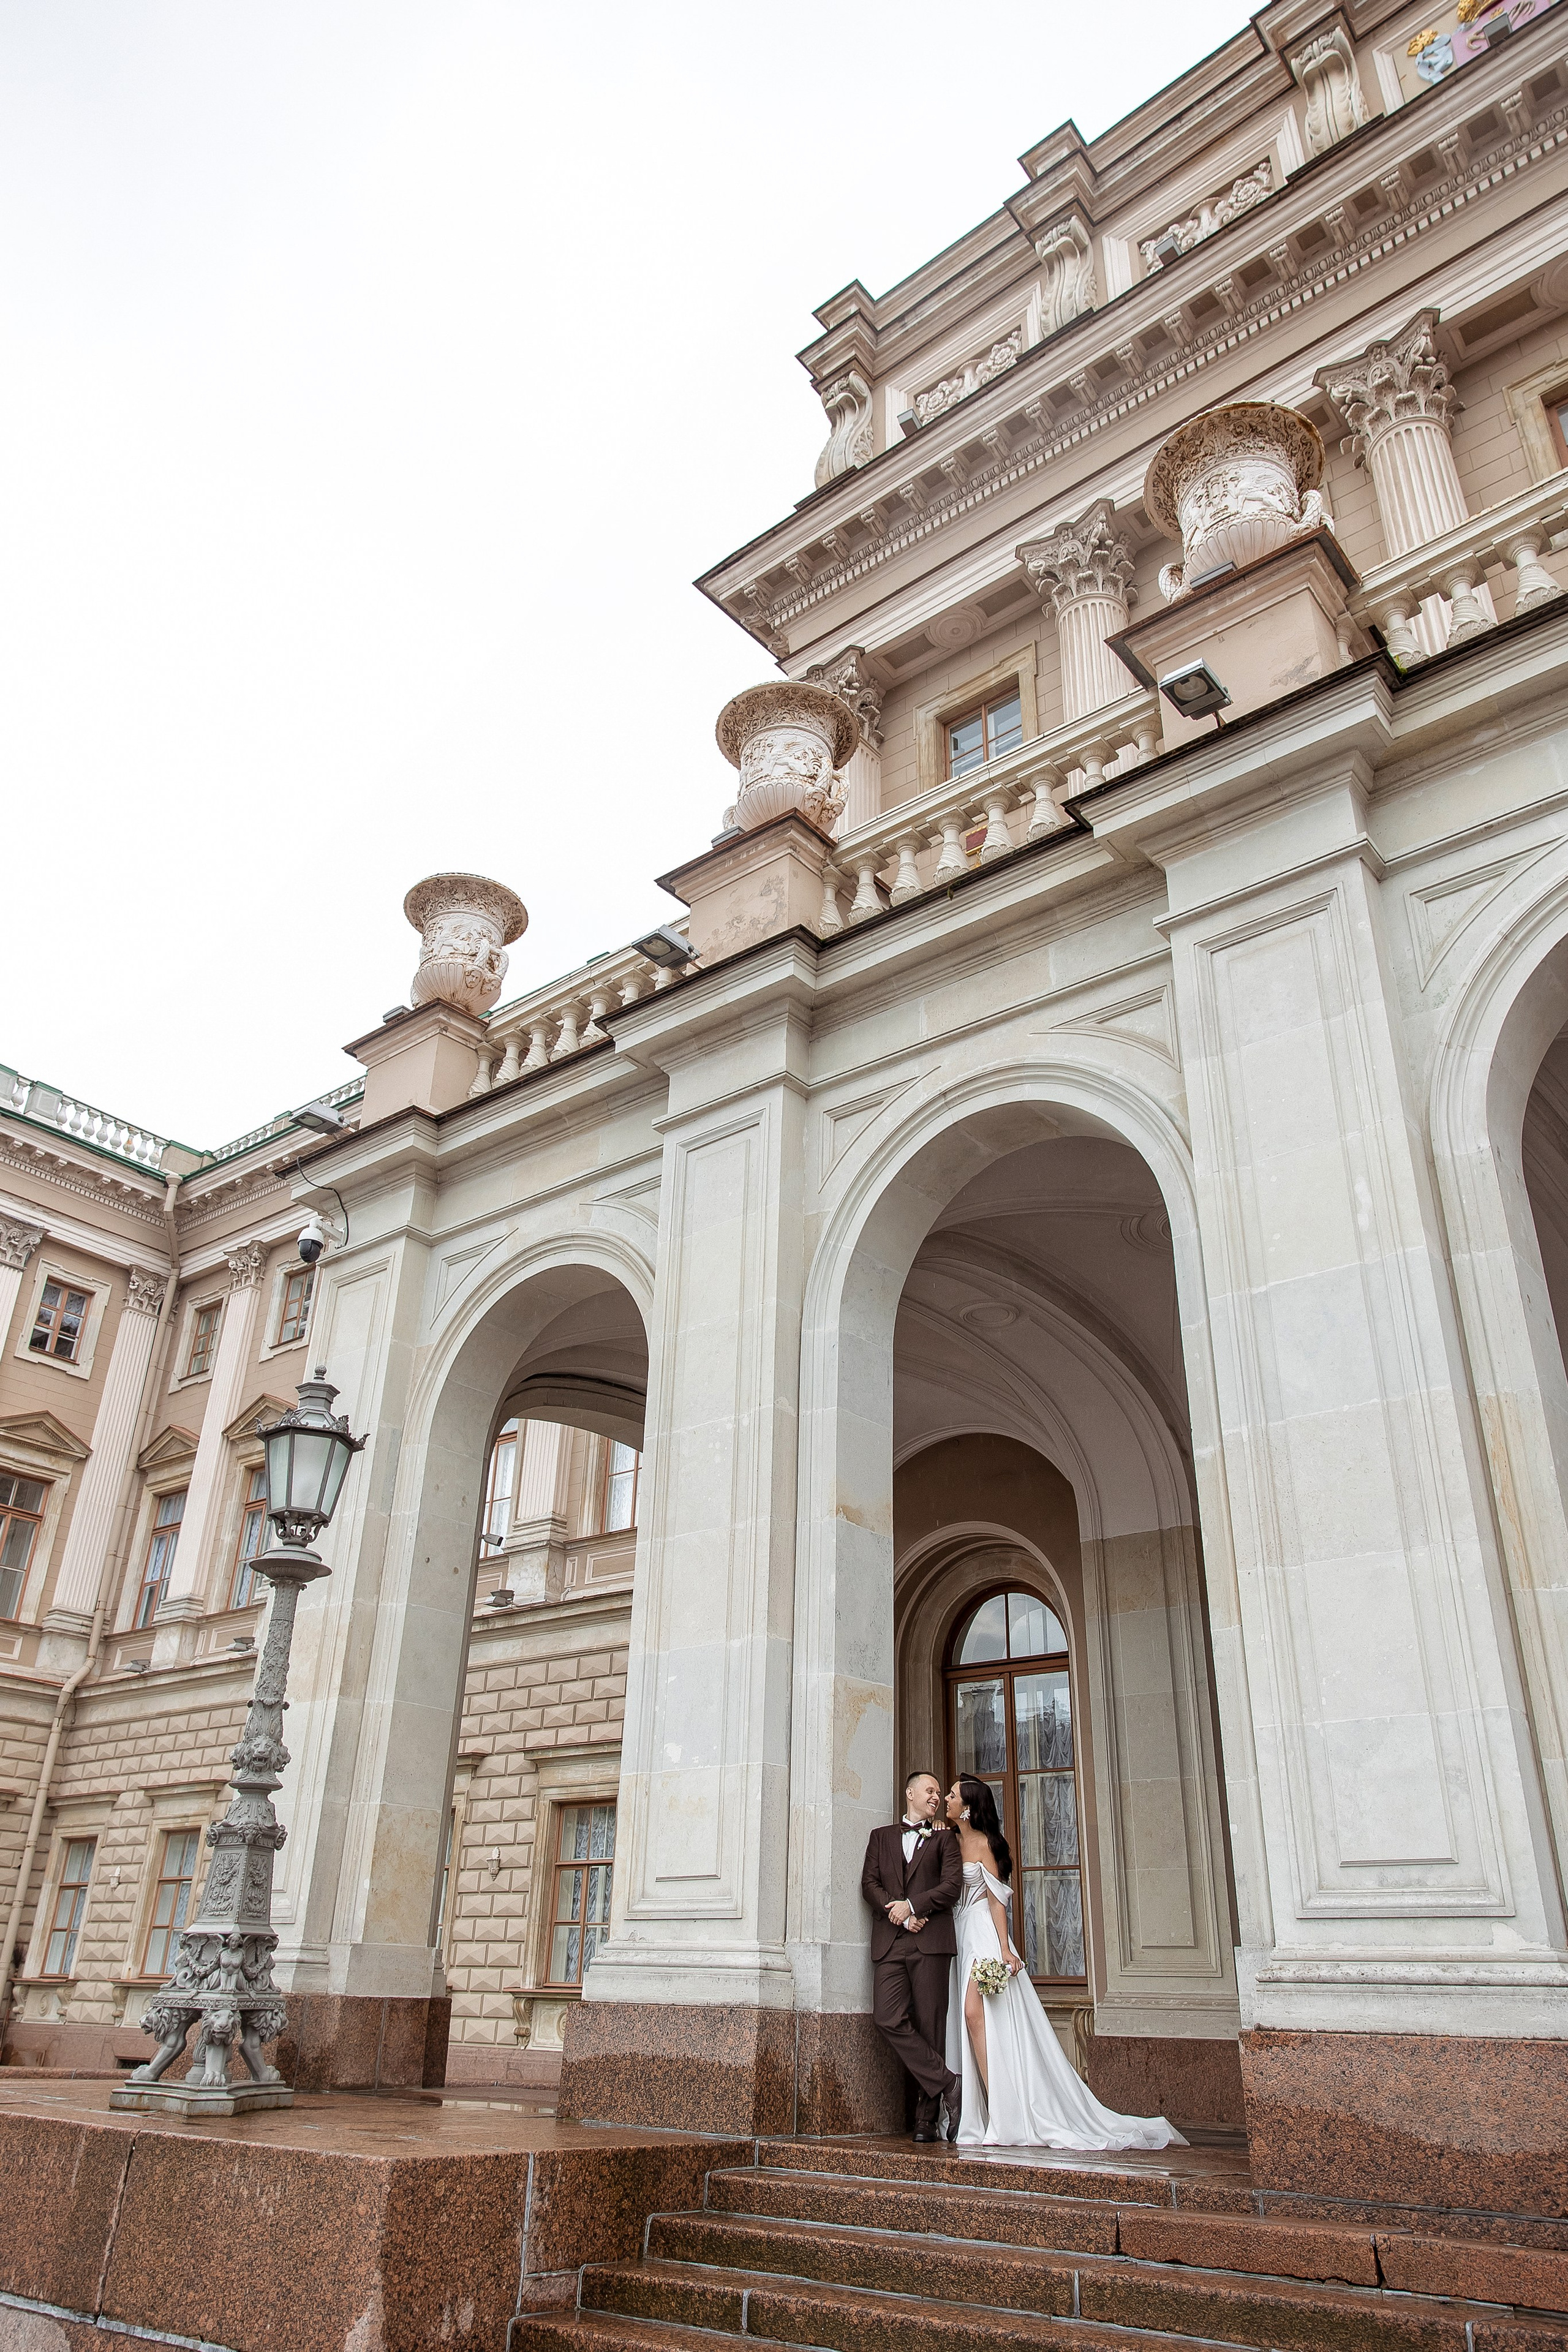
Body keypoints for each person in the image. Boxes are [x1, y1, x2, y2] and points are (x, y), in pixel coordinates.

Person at [943, 1773, 1186, 2152]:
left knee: (975, 2013)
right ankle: (988, 2109)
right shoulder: (949, 1841)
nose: (946, 1798)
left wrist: (1007, 1950)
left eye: (953, 1795)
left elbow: (996, 1901)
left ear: (969, 1807)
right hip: (959, 1935)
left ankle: (1002, 2108)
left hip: (984, 1939)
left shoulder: (989, 1844)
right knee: (969, 2020)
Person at [861, 1768, 964, 2143]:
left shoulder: (945, 1839)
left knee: (930, 2026)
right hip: (892, 1941)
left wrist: (913, 1905)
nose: (937, 1797)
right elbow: (868, 1883)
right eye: (931, 1791)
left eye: (940, 1793)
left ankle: (926, 2119)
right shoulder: (881, 1837)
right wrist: (899, 1913)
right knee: (887, 2017)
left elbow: (952, 1887)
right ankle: (948, 2083)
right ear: (910, 1794)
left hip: (931, 1943)